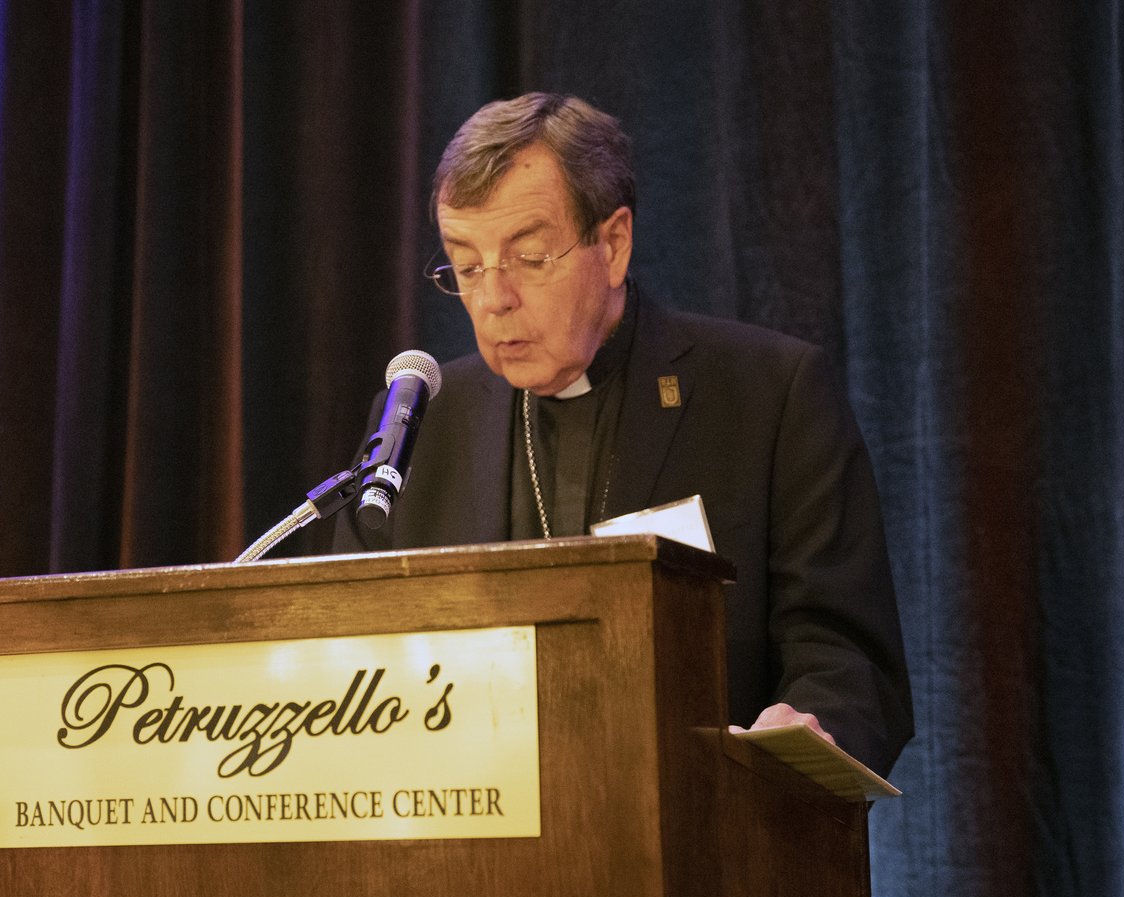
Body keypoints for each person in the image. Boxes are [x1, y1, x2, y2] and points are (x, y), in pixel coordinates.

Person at [332, 92, 913, 776]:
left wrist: (804, 728)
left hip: (712, 839)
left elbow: (848, 657)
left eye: (529, 256)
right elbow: (349, 659)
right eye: (466, 266)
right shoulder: (419, 423)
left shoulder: (768, 397)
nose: (493, 299)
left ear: (612, 244)